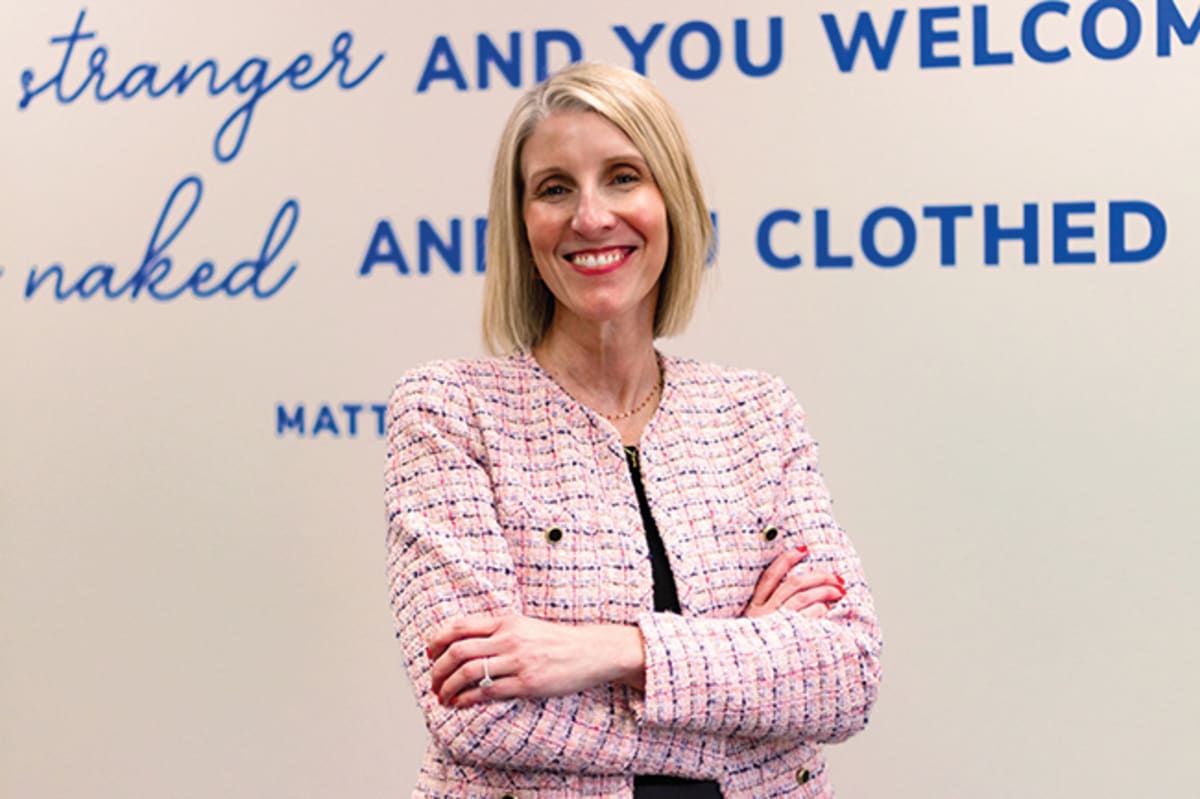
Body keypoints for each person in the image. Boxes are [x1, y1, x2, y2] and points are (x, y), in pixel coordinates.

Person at [385, 62, 881, 799]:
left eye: (623, 176)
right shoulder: (449, 410)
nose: (590, 217)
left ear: (671, 201)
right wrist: (750, 695)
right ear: (522, 225)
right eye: (555, 187)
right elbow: (475, 710)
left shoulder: (757, 414)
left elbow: (846, 674)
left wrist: (601, 651)